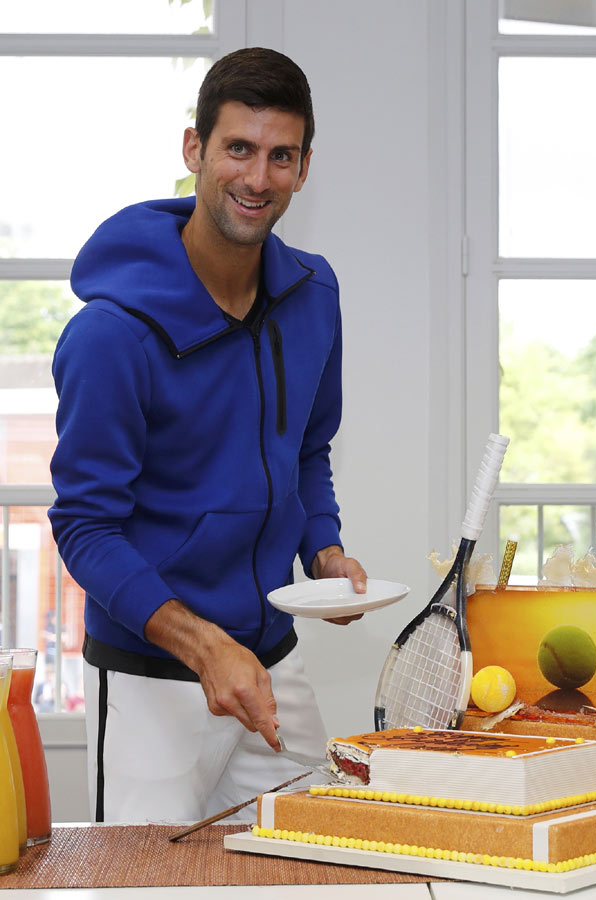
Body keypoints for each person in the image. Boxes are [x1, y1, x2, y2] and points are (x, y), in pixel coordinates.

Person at [49, 47, 367, 824]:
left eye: (280, 155)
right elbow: (84, 527)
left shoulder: (314, 295)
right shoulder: (110, 336)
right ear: (194, 148)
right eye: (238, 148)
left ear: (304, 165)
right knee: (136, 887)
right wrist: (201, 644)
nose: (258, 179)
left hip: (271, 667)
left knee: (317, 866)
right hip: (152, 684)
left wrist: (322, 548)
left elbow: (306, 449)